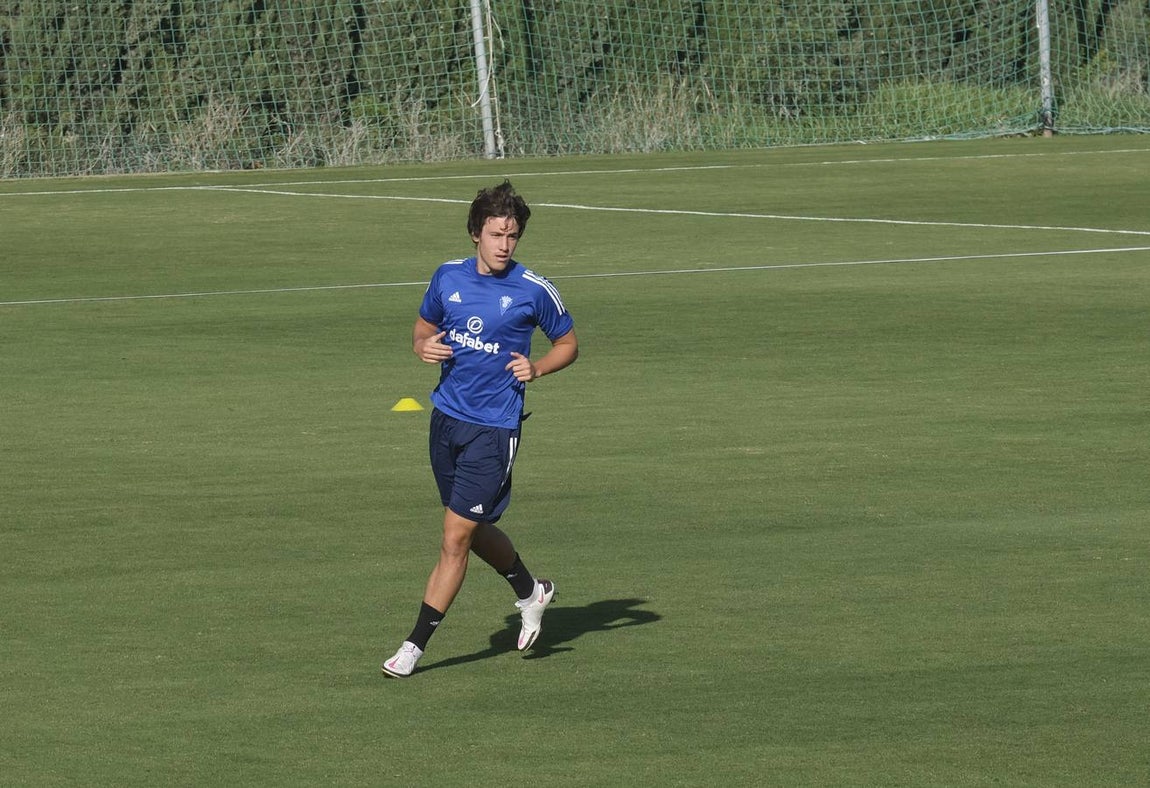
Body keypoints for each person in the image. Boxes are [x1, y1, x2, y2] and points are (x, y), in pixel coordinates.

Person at [382, 180, 579, 678]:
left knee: (454, 536)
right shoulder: (446, 276)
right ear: (475, 233)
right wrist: (421, 347)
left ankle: (413, 646)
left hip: (495, 429)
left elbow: (568, 344)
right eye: (496, 234)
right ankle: (531, 590)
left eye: (512, 236)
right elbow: (423, 329)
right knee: (470, 528)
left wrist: (537, 368)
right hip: (446, 420)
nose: (505, 245)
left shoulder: (534, 289)